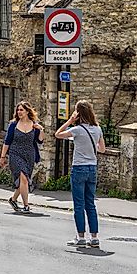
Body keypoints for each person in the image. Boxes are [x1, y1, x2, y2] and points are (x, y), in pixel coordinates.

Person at [56, 100, 106, 249]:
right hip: (92, 168)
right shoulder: (98, 129)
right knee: (90, 204)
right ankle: (95, 238)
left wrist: (69, 121)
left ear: (78, 114)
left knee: (79, 204)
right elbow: (102, 149)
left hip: (79, 168)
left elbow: (57, 134)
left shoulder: (76, 130)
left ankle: (81, 237)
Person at [0, 101, 43, 213]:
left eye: (21, 110)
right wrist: (3, 157)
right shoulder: (13, 125)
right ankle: (26, 205)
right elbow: (7, 141)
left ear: (27, 111)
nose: (19, 112)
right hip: (15, 154)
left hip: (29, 155)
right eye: (18, 110)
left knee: (24, 181)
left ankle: (13, 199)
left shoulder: (34, 125)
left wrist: (41, 130)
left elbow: (40, 140)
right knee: (23, 178)